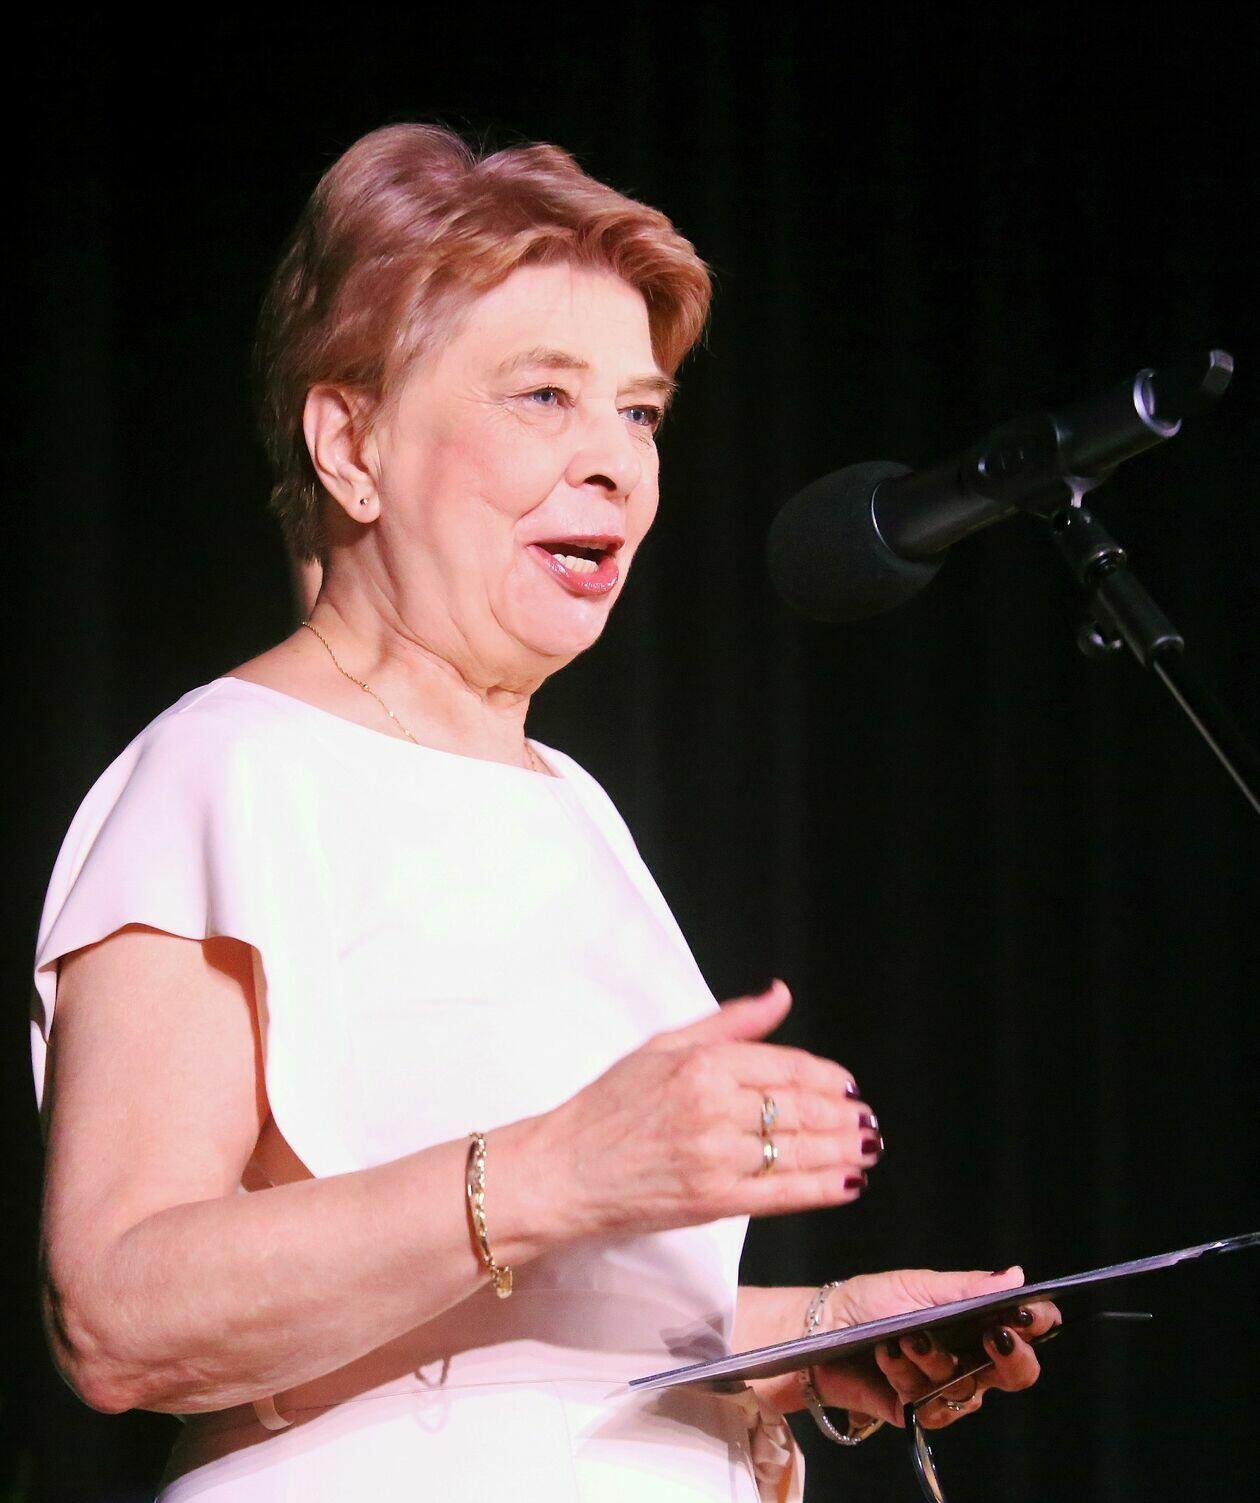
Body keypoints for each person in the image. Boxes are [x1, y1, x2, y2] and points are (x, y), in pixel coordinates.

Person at [32, 125, 1056, 1502]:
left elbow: (527, 1342)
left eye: (639, 414)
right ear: (350, 442)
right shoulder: (221, 773)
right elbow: (116, 1312)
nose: (616, 464)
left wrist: (812, 1337)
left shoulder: (572, 805)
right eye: (544, 396)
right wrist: (560, 1166)